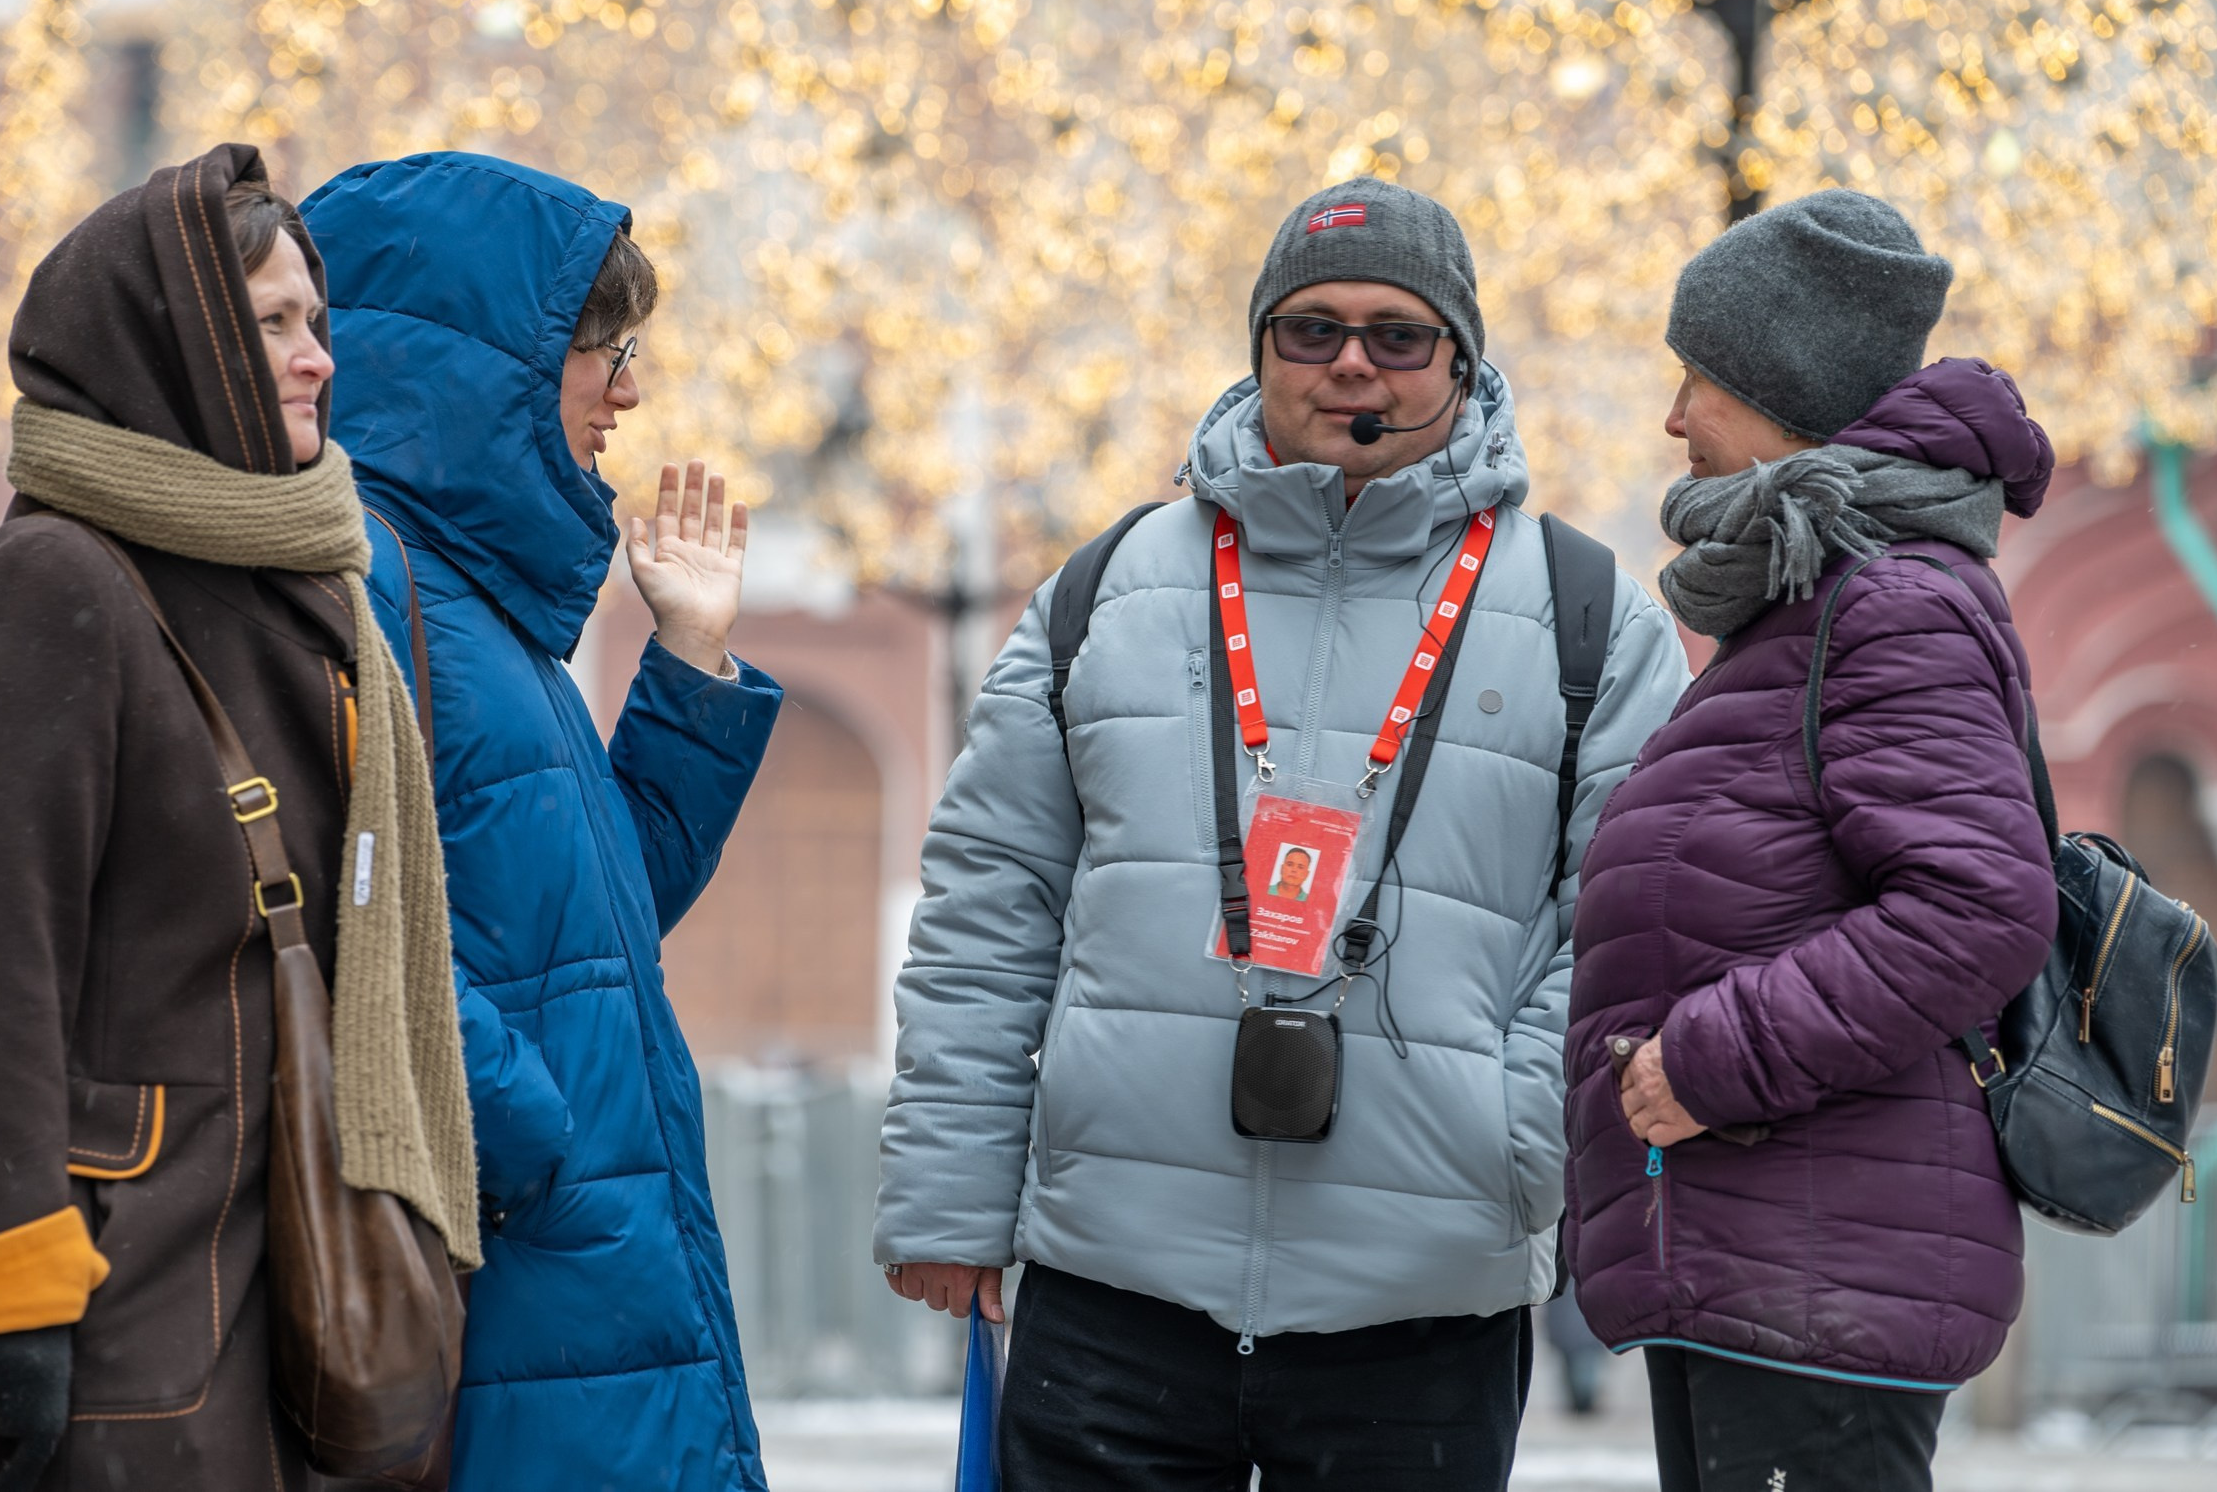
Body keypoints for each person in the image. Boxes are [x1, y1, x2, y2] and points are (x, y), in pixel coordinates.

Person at [874, 179, 1688, 1488]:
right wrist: (951, 1197)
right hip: (1114, 1276)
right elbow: (989, 902)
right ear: (1257, 352)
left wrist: (1512, 1129)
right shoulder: (1107, 587)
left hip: (1422, 1298)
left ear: (1463, 361)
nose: (1351, 359)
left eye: (1396, 332)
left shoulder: (1589, 612)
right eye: (1309, 329)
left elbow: (1636, 924)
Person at [0, 145, 477, 1491]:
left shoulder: (299, 580)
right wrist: (10, 1291)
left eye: (320, 323)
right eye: (273, 324)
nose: (318, 359)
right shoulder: (55, 581)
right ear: (174, 343)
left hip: (277, 1272)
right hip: (115, 1305)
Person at [1566, 190, 2061, 1492]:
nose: (1674, 416)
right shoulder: (1816, 601)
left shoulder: (1888, 598)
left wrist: (1708, 1059)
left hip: (1819, 1270)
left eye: (1702, 379)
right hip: (1780, 1261)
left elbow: (1979, 903)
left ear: (1783, 394)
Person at [307, 153, 781, 1492]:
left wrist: (689, 666)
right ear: (478, 370)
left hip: (578, 1271)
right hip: (517, 1273)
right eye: (597, 348)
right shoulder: (372, 589)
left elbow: (589, 929)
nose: (627, 389)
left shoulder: (479, 613)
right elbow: (337, 923)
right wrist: (538, 1134)